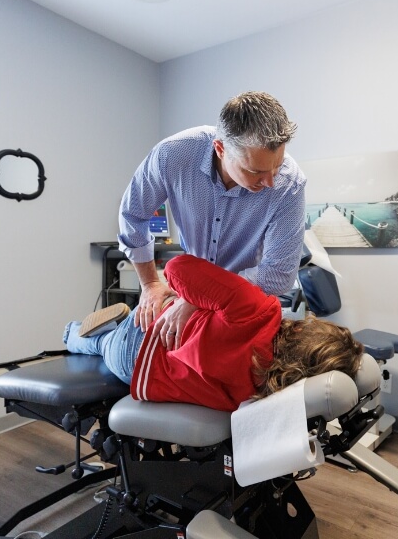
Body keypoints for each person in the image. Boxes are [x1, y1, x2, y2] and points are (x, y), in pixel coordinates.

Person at [118, 91, 307, 350]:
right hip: (189, 286)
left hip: (244, 296)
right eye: (257, 171)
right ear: (220, 149)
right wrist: (150, 283)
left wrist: (202, 299)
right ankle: (78, 335)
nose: (271, 182)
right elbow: (133, 215)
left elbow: (279, 274)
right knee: (137, 342)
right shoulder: (173, 155)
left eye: (277, 166)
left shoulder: (289, 184)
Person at [63, 254, 361, 412]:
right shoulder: (264, 394)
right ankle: (104, 331)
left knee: (95, 342)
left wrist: (191, 300)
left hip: (144, 336)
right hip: (137, 376)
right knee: (103, 347)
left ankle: (72, 332)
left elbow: (177, 267)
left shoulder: (259, 310)